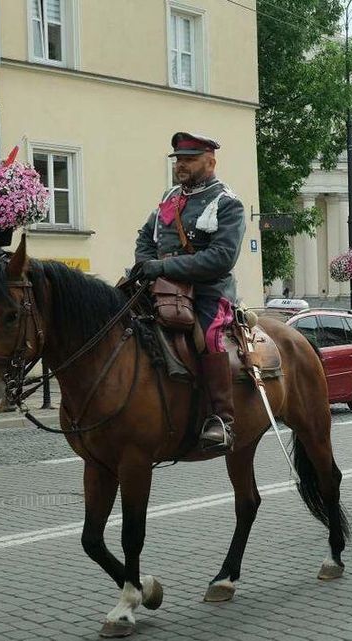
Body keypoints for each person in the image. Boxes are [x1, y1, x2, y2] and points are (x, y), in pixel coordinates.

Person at [134, 132, 246, 451]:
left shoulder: (227, 202)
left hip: (209, 290)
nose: (181, 165)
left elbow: (221, 257)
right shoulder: (169, 197)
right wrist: (146, 264)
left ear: (211, 161)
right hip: (162, 285)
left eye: (189, 159)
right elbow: (145, 238)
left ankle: (222, 419)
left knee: (209, 337)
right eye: (178, 160)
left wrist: (165, 267)